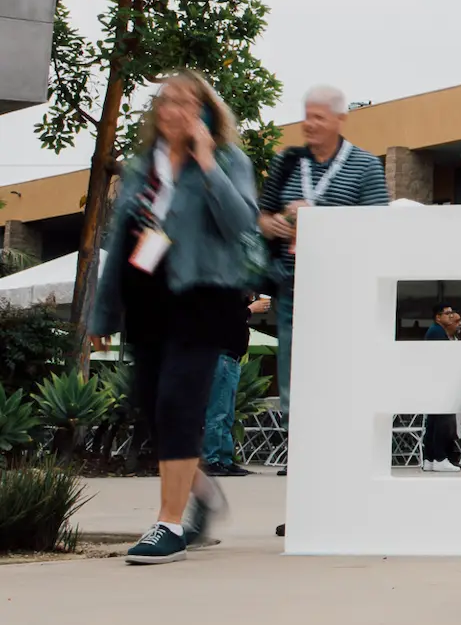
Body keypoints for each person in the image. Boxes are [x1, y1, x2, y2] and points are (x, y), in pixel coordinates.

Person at [87, 71, 260, 564]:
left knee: (178, 405)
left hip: (202, 299)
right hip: (148, 300)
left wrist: (206, 161)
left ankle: (168, 525)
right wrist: (103, 313)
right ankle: (201, 491)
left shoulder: (228, 160)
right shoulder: (143, 167)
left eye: (186, 102)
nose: (173, 110)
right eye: (165, 101)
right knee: (153, 409)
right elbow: (121, 243)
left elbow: (242, 223)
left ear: (205, 112)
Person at [258, 84, 390, 478]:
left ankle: (338, 464)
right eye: (306, 115)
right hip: (292, 287)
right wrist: (275, 224)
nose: (309, 124)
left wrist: (321, 222)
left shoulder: (365, 166)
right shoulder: (287, 161)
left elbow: (379, 230)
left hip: (340, 292)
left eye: (319, 117)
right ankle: (302, 467)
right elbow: (261, 218)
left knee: (338, 379)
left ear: (340, 119)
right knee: (293, 381)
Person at [201, 293, 272, 478]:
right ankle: (210, 459)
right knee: (218, 412)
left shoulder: (236, 303)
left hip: (232, 361)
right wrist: (250, 309)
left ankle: (225, 459)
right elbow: (226, 320)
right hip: (223, 358)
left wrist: (248, 304)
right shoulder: (224, 299)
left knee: (227, 414)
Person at [420, 305, 461, 473]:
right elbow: (444, 358)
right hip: (441, 381)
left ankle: (430, 458)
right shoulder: (437, 332)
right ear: (438, 317)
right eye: (448, 314)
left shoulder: (436, 331)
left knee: (434, 421)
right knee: (442, 421)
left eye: (452, 313)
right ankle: (439, 458)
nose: (451, 316)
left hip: (435, 381)